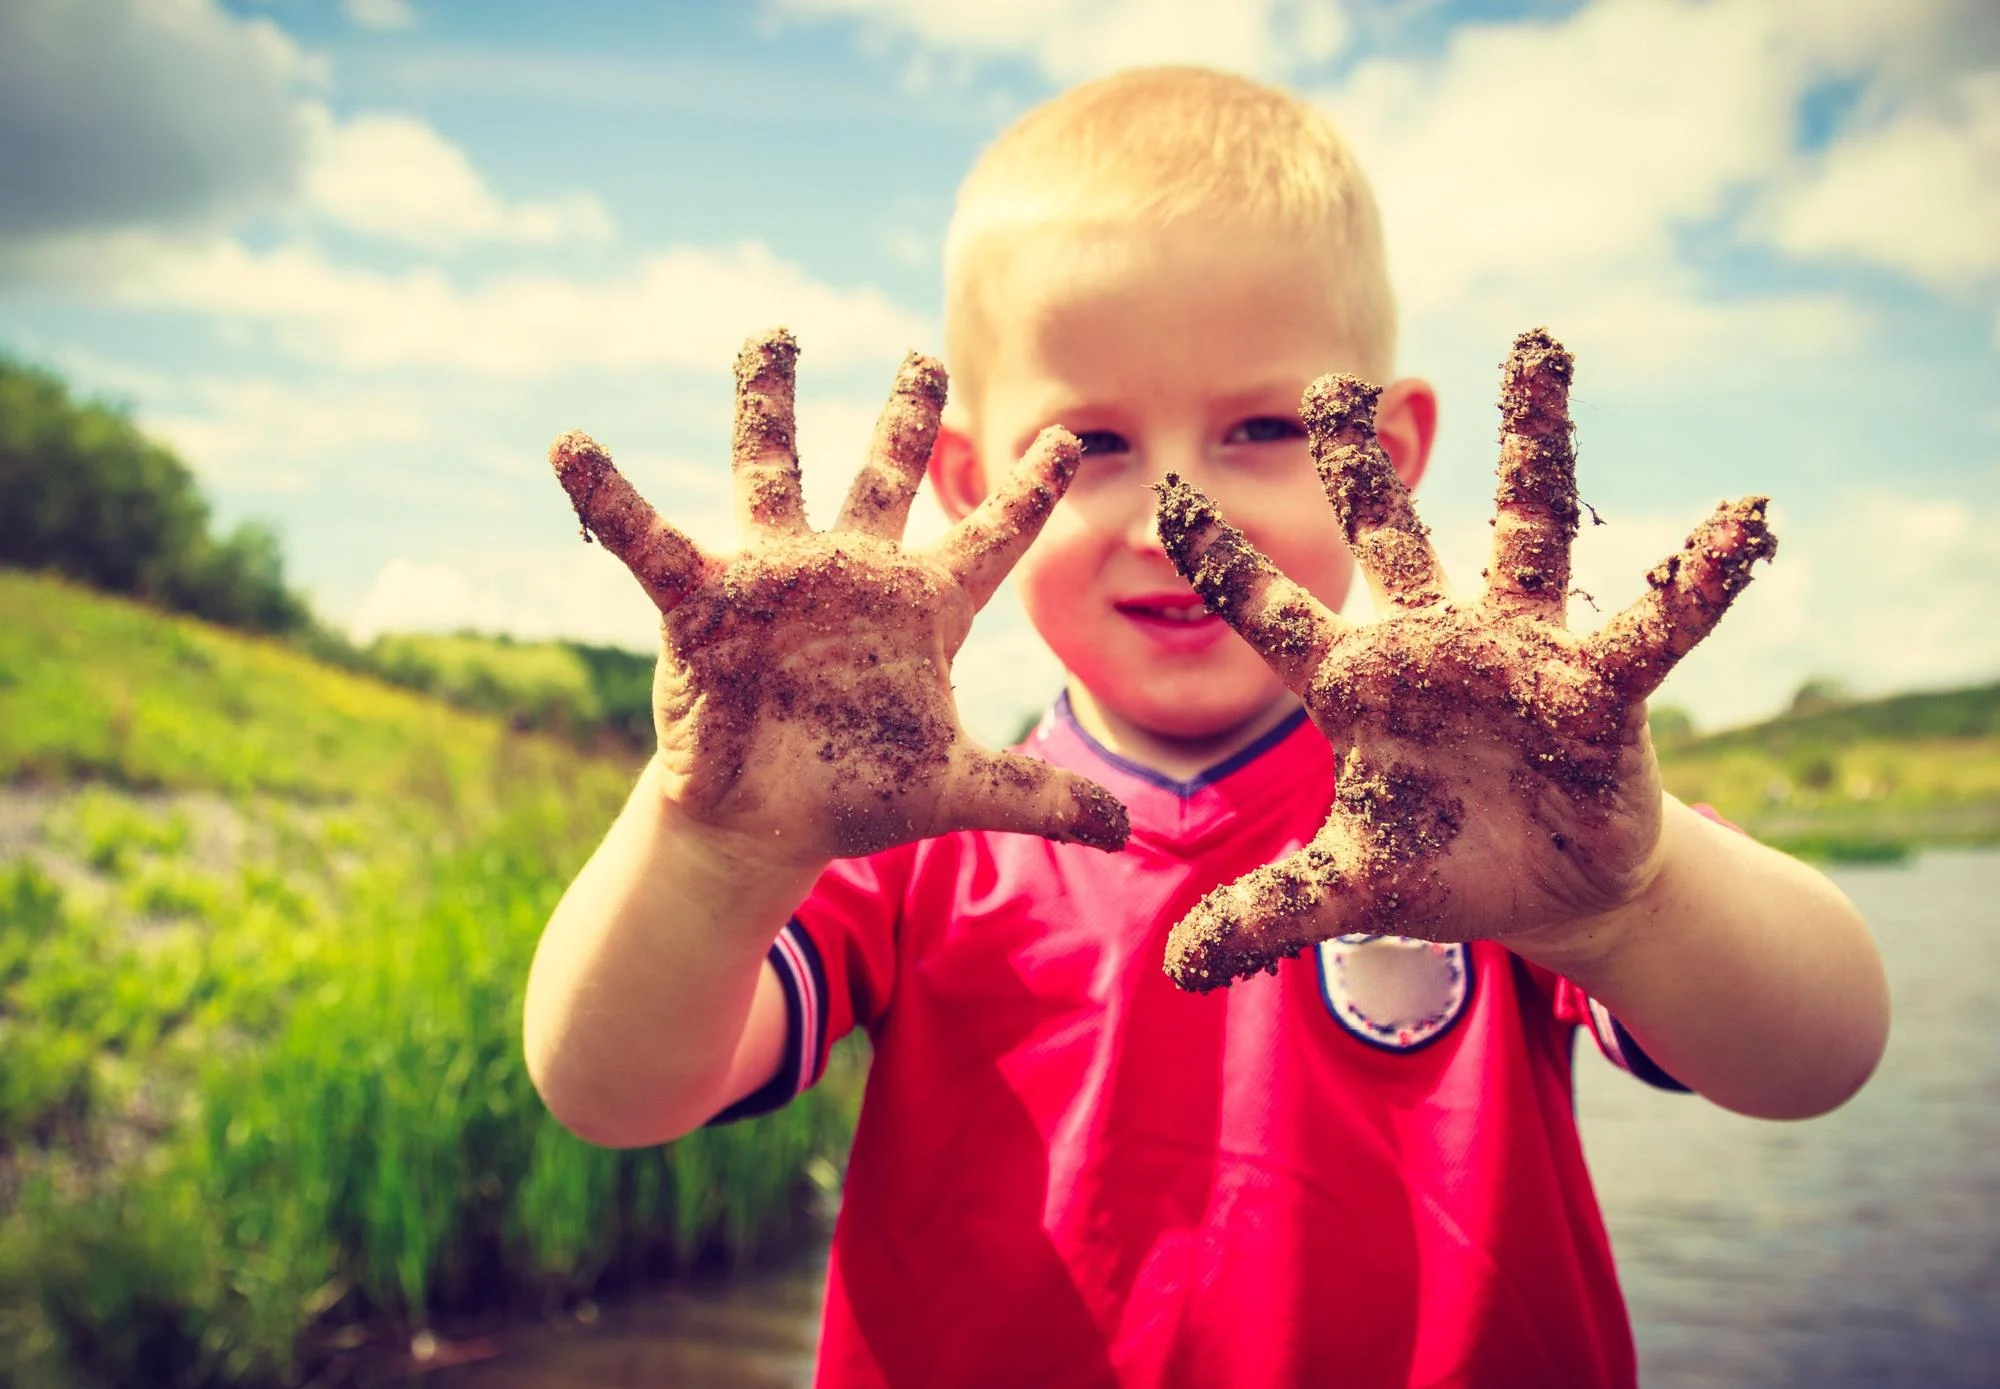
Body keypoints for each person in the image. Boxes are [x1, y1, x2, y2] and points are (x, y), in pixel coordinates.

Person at [523, 66, 1889, 1388]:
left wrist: (1629, 904)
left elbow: (1818, 1054)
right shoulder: (898, 834)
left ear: (1389, 460)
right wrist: (709, 845)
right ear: (964, 480)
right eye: (1094, 446)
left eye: (1256, 427)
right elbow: (613, 1091)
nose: (1181, 514)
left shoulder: (1497, 810)